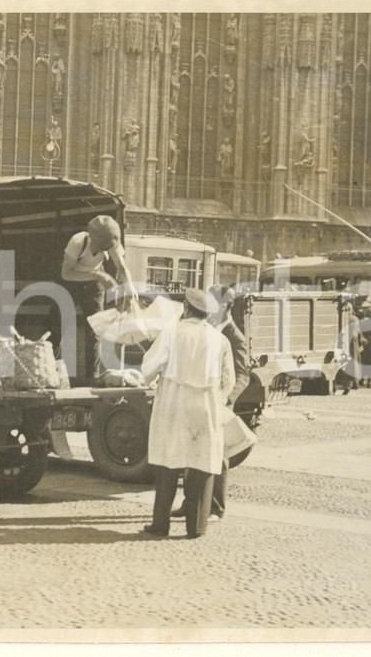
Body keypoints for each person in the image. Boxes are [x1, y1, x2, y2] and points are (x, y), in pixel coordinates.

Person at [141, 288, 235, 539]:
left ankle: (160, 524)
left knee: (167, 462)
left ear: (186, 308)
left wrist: (153, 378)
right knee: (202, 462)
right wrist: (217, 398)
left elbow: (149, 368)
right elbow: (229, 380)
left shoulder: (171, 333)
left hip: (174, 402)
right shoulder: (220, 340)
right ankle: (196, 526)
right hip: (205, 404)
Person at [172, 285, 249, 521]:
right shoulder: (206, 329)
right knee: (192, 452)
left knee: (218, 457)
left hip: (220, 403)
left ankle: (215, 507)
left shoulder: (234, 337)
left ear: (226, 307)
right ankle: (190, 504)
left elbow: (243, 375)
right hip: (198, 400)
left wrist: (226, 400)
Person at [60, 216, 137, 378]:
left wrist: (130, 289)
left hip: (93, 282)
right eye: (101, 247)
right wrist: (99, 276)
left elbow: (122, 268)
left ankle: (92, 378)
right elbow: (66, 273)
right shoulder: (77, 242)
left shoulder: (111, 244)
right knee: (58, 324)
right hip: (72, 280)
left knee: (95, 329)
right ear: (93, 239)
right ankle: (50, 371)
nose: (104, 251)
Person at [336, 301, 364, 394]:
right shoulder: (354, 319)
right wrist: (361, 343)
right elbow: (358, 332)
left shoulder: (340, 317)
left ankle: (342, 385)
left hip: (342, 343)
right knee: (353, 364)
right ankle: (352, 383)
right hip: (353, 343)